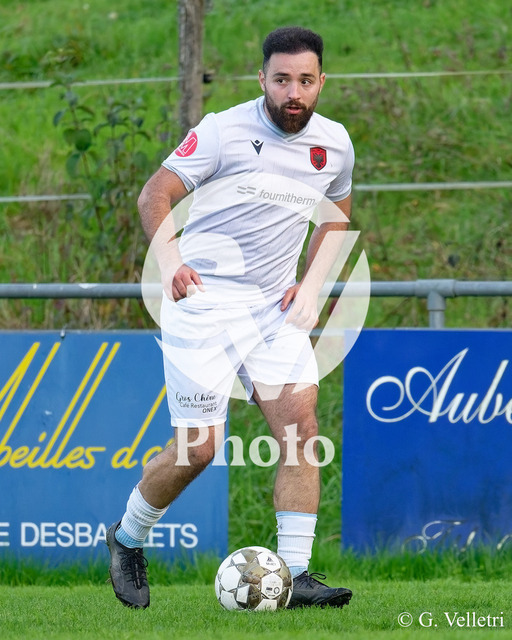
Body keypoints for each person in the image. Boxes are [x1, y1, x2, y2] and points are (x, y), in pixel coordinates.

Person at [106, 25, 355, 610]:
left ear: (321, 82)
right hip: (204, 305)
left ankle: (296, 575)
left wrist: (312, 286)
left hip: (273, 311)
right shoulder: (223, 130)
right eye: (281, 80)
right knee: (198, 449)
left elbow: (336, 216)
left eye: (305, 81)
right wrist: (171, 263)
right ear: (262, 79)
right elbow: (153, 195)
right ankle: (127, 537)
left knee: (301, 432)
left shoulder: (335, 143)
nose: (293, 92)